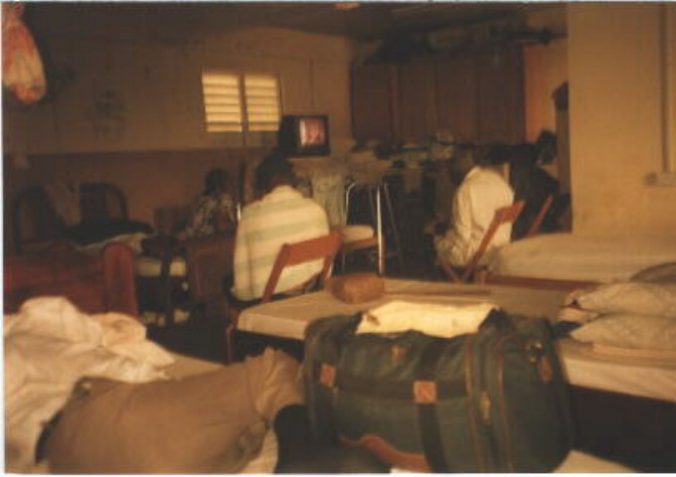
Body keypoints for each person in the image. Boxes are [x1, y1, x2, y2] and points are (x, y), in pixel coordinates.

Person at [232, 152, 330, 302]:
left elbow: (243, 275)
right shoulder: (316, 209)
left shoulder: (250, 215)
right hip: (311, 291)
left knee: (228, 283)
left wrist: (243, 294)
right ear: (292, 179)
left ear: (263, 183)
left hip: (271, 298)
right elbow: (325, 265)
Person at [434, 145, 514, 267]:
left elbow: (463, 238)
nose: (448, 172)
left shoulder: (465, 189)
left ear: (461, 163)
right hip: (501, 248)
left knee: (433, 241)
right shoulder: (498, 179)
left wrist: (440, 238)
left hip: (478, 254)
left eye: (450, 166)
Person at [508, 142, 560, 239]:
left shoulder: (521, 174)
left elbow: (517, 202)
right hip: (535, 223)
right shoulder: (543, 176)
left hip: (523, 224)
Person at [183, 168, 236, 238]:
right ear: (223, 183)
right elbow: (221, 226)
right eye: (230, 181)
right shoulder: (223, 199)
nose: (232, 184)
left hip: (190, 239)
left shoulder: (200, 198)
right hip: (207, 242)